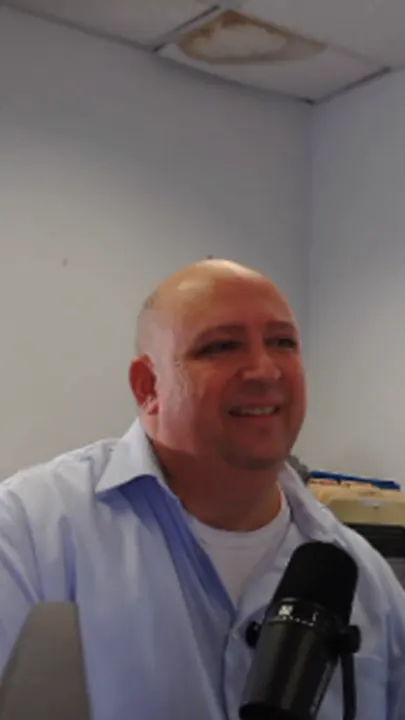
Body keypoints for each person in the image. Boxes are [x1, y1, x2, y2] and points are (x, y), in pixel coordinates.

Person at [0, 258, 404, 720]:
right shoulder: (31, 534)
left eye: (283, 343)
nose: (264, 370)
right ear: (148, 386)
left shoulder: (366, 582)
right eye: (221, 346)